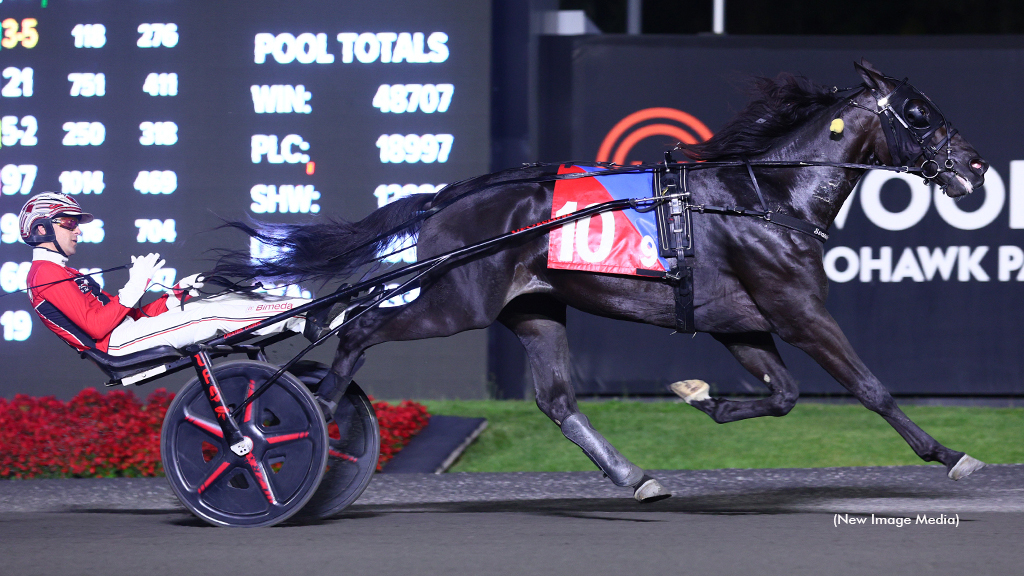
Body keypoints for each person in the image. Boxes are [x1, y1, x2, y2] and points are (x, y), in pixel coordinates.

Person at [20, 192, 336, 357]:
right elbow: (98, 327)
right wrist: (134, 287)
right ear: (41, 228)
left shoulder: (61, 271)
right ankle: (300, 316)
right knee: (207, 316)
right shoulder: (44, 273)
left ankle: (300, 309)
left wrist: (174, 296)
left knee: (214, 300)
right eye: (70, 223)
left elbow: (130, 317)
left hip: (125, 335)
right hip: (116, 347)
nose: (77, 231)